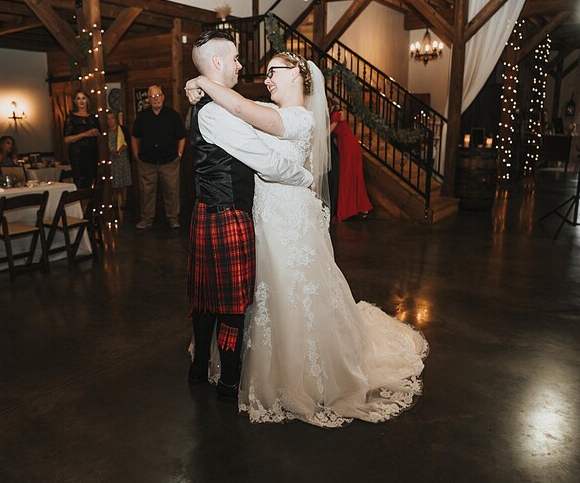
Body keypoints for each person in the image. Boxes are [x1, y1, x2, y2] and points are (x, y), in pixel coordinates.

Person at [185, 51, 428, 427]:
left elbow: (242, 109)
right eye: (265, 73)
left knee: (292, 288)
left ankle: (301, 373)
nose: (267, 79)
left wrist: (202, 80)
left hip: (288, 216)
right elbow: (239, 108)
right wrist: (198, 85)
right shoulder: (270, 110)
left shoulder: (298, 118)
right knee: (259, 292)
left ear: (297, 74)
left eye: (273, 72)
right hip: (260, 215)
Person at [186, 31, 314, 402]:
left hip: (214, 211)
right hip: (227, 214)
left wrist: (196, 82)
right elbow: (266, 162)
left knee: (207, 296)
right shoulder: (217, 112)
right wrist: (306, 177)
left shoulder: (216, 104)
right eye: (236, 58)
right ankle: (228, 381)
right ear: (218, 62)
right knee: (229, 302)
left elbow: (245, 108)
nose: (242, 66)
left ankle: (201, 369)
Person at [130, 85, 185, 229]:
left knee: (172, 192)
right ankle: (146, 219)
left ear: (163, 97)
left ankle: (173, 218)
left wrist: (179, 155)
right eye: (152, 97)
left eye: (158, 96)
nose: (155, 99)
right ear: (148, 99)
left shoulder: (173, 115)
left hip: (170, 162)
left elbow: (181, 137)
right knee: (146, 193)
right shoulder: (142, 117)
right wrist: (136, 155)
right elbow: (135, 137)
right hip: (147, 163)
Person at [330, 103, 372, 221]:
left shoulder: (336, 115)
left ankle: (351, 209)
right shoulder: (337, 115)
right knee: (353, 176)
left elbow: (329, 131)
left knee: (348, 177)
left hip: (348, 147)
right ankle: (360, 208)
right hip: (347, 146)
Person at [63, 90, 100, 189]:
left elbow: (99, 135)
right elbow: (66, 139)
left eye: (83, 98)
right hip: (78, 154)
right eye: (78, 98)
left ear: (87, 100)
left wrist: (96, 133)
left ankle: (91, 198)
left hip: (92, 152)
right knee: (80, 181)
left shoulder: (93, 117)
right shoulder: (71, 118)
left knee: (92, 179)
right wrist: (85, 134)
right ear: (75, 101)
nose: (81, 101)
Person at [106, 111, 132, 217]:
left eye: (112, 118)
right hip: (111, 158)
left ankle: (124, 199)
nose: (110, 121)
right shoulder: (106, 132)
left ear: (115, 119)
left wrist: (119, 151)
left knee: (123, 178)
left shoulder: (122, 129)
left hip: (122, 157)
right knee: (114, 179)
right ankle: (115, 199)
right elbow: (105, 144)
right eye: (108, 119)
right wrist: (111, 152)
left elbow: (127, 142)